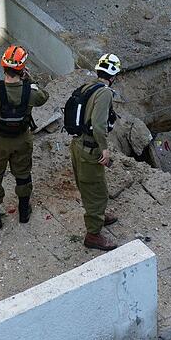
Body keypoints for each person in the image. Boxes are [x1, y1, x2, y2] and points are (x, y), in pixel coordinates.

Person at [0, 45, 48, 230]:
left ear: (2, 66)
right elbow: (44, 96)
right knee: (22, 174)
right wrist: (30, 79)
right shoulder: (31, 92)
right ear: (22, 69)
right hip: (22, 139)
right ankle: (23, 212)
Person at [71, 53, 121, 251]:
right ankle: (93, 235)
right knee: (97, 192)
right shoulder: (105, 93)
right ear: (114, 75)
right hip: (90, 149)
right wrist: (105, 150)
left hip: (78, 145)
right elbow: (99, 126)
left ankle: (99, 216)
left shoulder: (88, 87)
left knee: (89, 187)